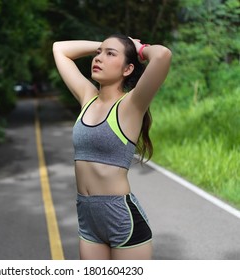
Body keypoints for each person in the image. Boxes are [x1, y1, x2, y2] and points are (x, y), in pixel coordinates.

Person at [52, 34, 172, 260]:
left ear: (127, 69)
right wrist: (105, 45)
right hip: (88, 219)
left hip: (121, 218)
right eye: (98, 54)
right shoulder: (87, 97)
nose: (99, 58)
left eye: (110, 54)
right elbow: (60, 49)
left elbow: (163, 55)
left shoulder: (131, 105)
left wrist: (137, 48)